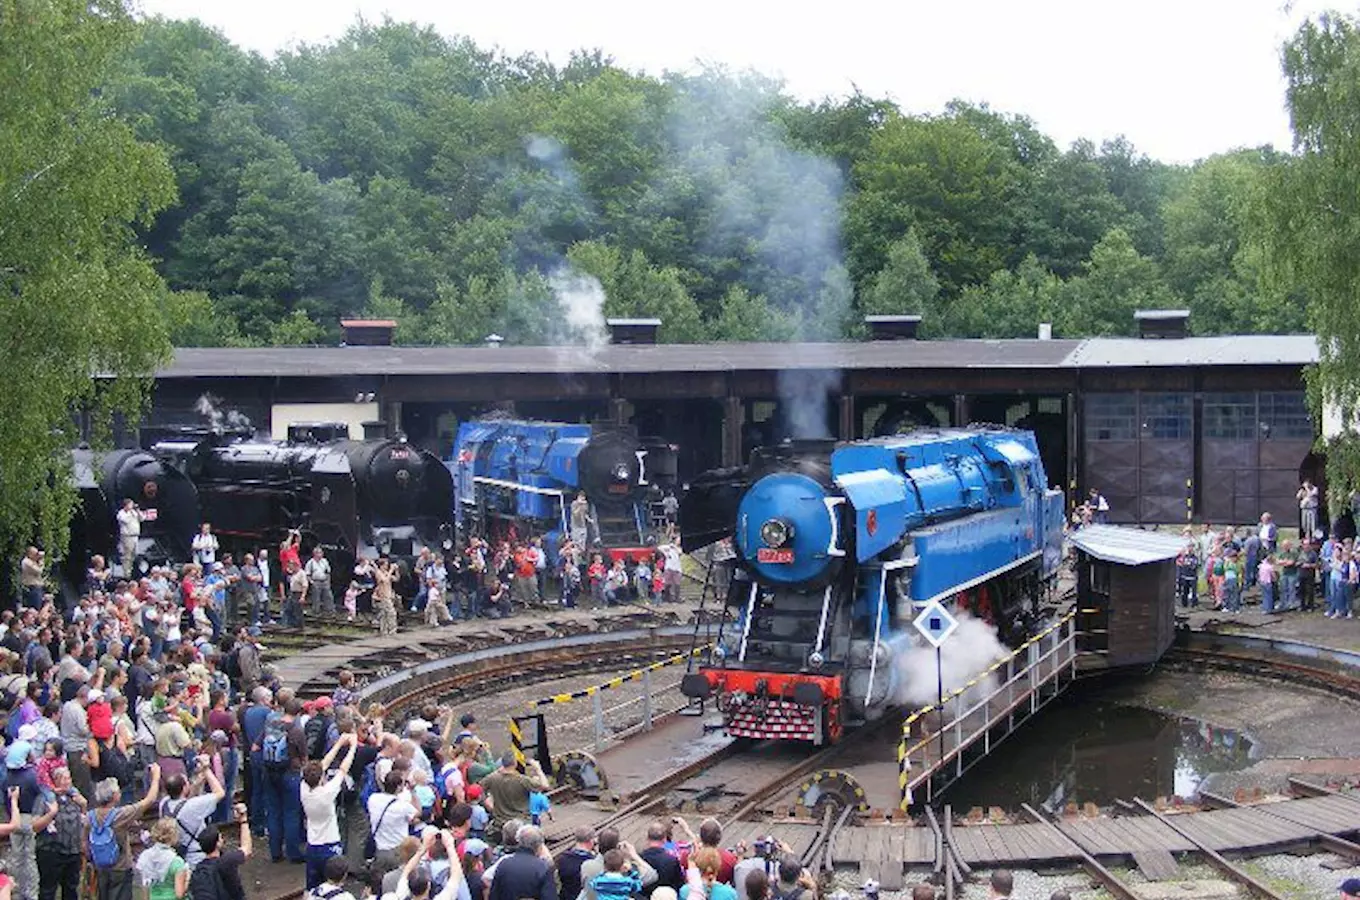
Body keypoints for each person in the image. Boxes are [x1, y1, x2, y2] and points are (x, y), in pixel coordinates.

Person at [88, 765, 162, 900]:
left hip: (99, 866)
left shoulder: (90, 816)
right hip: (120, 866)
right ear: (114, 796)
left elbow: (84, 842)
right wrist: (156, 778)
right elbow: (149, 800)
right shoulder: (120, 815)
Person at [302, 732, 359, 890]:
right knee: (334, 885)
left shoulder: (304, 788)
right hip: (330, 845)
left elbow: (322, 765)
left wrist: (339, 743)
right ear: (321, 778)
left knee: (312, 888)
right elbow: (343, 769)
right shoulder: (326, 793)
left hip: (313, 844)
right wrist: (352, 746)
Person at [159, 769, 226, 870]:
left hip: (178, 855)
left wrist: (196, 785)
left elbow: (184, 801)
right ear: (184, 788)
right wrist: (207, 769)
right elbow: (220, 793)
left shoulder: (164, 804)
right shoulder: (192, 806)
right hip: (196, 856)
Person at [480, 751, 550, 835]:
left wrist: (486, 803)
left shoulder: (492, 778)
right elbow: (545, 786)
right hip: (522, 823)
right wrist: (538, 769)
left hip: (501, 823)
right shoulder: (522, 780)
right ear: (515, 763)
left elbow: (478, 789)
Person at [186, 814, 252, 900]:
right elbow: (247, 849)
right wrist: (243, 820)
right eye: (220, 837)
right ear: (217, 843)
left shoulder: (198, 869)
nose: (223, 839)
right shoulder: (227, 860)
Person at [488, 824, 557, 900]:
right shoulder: (543, 868)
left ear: (519, 841)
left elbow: (493, 896)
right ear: (539, 845)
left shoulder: (503, 864)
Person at [134, 818, 189, 900]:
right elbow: (179, 894)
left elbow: (145, 888)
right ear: (174, 836)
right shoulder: (176, 862)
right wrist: (187, 880)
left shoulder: (145, 857)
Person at [115, 502, 145, 575]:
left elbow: (142, 518)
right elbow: (125, 521)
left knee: (135, 554)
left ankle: (134, 570)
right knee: (127, 555)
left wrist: (138, 511)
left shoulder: (134, 512)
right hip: (127, 537)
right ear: (126, 505)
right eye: (131, 504)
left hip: (135, 536)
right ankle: (126, 573)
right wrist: (129, 513)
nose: (132, 506)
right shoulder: (121, 513)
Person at [306, 547, 335, 618]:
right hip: (316, 581)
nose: (321, 554)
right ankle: (316, 612)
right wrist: (312, 582)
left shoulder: (324, 561)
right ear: (315, 554)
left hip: (325, 581)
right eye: (319, 553)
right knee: (316, 597)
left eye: (321, 553)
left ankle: (330, 611)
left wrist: (328, 581)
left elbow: (328, 572)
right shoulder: (310, 562)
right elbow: (307, 574)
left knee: (328, 596)